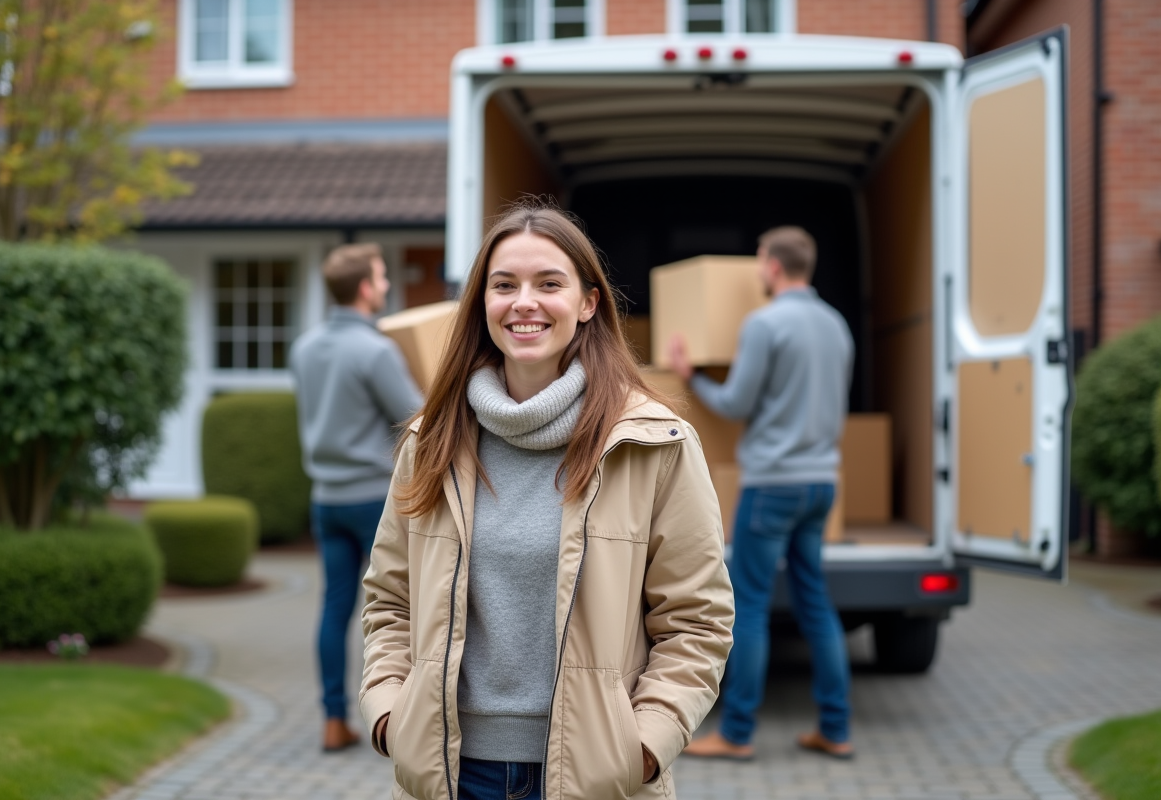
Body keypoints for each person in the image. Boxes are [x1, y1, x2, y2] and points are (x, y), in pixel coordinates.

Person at [358, 203, 735, 800]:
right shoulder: (430, 441)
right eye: (504, 285)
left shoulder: (653, 444)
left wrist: (642, 746)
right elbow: (389, 600)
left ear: (588, 303)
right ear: (482, 303)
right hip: (451, 774)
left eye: (549, 284)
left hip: (597, 778)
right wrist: (389, 714)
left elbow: (697, 620)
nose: (524, 303)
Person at [675, 226, 856, 761]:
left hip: (772, 483)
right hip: (822, 482)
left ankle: (736, 734)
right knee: (815, 602)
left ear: (774, 266)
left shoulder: (764, 323)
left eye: (759, 260)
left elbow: (735, 404)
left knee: (749, 605)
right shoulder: (837, 325)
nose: (758, 270)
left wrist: (690, 376)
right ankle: (836, 729)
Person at [290, 242, 424, 753]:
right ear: (366, 288)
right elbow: (416, 418)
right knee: (400, 609)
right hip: (375, 501)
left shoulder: (304, 348)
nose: (386, 285)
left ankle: (333, 720)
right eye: (382, 277)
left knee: (335, 608)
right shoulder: (376, 350)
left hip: (325, 499)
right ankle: (403, 717)